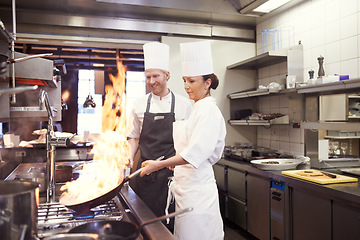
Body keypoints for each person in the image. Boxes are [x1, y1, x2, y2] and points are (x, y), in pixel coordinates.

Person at [140, 40, 226, 240]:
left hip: (198, 193)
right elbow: (187, 150)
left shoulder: (208, 111)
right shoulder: (197, 108)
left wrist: (159, 164)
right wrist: (176, 164)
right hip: (185, 189)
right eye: (184, 80)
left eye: (192, 81)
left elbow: (193, 154)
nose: (186, 86)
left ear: (207, 83)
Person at [127, 42, 192, 232]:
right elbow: (134, 137)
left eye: (156, 76)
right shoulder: (138, 105)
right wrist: (130, 156)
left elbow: (188, 142)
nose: (151, 81)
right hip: (144, 174)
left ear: (167, 75)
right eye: (148, 77)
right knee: (144, 225)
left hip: (172, 176)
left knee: (168, 226)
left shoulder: (183, 105)